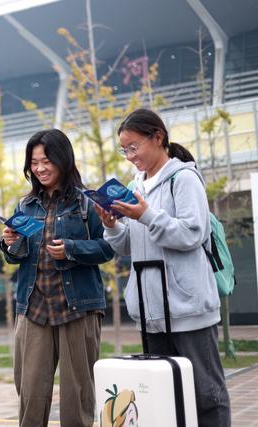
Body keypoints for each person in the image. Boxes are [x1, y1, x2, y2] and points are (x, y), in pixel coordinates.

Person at [95, 108, 231, 427]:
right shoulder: (136, 186)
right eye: (124, 149)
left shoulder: (184, 178)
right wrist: (112, 226)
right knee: (165, 395)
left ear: (158, 137)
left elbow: (193, 233)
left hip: (188, 307)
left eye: (134, 147)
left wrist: (146, 215)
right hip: (152, 311)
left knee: (207, 394)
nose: (130, 156)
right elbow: (129, 246)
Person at [0, 129, 114, 426]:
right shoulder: (25, 206)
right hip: (34, 306)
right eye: (34, 162)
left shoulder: (88, 203)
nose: (39, 168)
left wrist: (72, 250)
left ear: (63, 160)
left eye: (46, 161)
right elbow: (17, 256)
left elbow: (109, 247)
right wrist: (10, 243)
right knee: (30, 391)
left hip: (78, 307)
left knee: (78, 394)